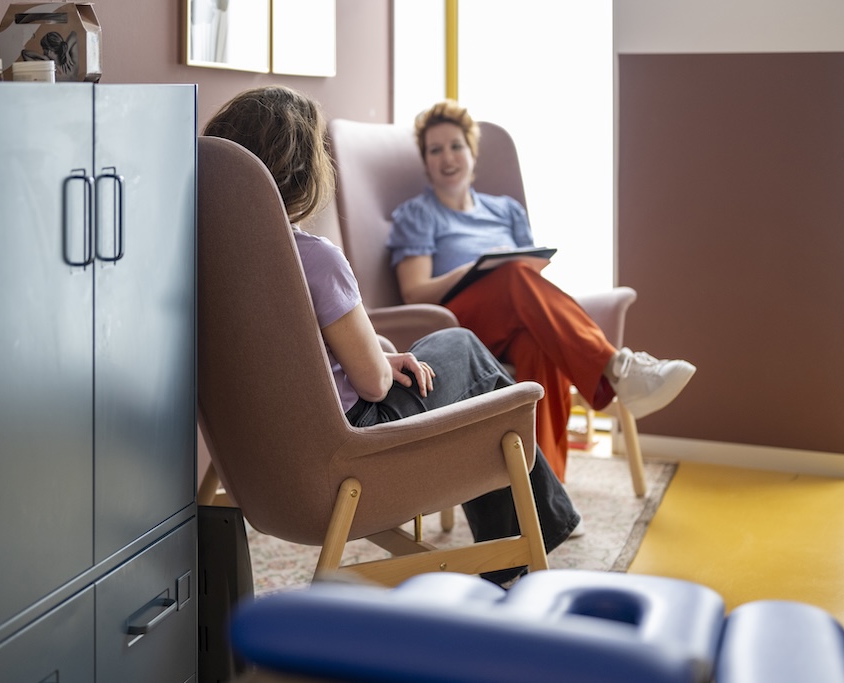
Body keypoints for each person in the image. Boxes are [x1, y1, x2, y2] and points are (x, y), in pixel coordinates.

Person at [203, 85, 581, 583]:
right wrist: (381, 361)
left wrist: (381, 351)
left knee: (437, 357)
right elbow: (375, 386)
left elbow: (302, 356)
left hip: (266, 466)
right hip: (350, 451)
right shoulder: (314, 260)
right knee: (464, 349)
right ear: (302, 174)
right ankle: (530, 538)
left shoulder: (210, 259)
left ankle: (538, 526)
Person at [388, 99, 696, 482]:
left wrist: (509, 270)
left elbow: (532, 274)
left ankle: (547, 499)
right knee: (512, 274)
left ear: (472, 152)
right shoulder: (419, 214)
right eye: (435, 149)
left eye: (456, 146)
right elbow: (415, 292)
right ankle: (617, 368)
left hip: (511, 317)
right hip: (457, 326)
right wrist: (475, 267)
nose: (447, 157)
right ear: (425, 160)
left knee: (540, 347)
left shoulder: (506, 210)